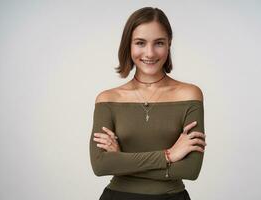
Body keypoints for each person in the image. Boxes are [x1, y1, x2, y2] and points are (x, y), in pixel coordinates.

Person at [89, 7, 207, 200]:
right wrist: (168, 156)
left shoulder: (189, 94)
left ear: (169, 44)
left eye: (159, 43)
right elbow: (100, 165)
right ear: (128, 45)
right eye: (140, 43)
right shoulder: (108, 99)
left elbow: (190, 170)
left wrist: (121, 161)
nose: (150, 53)